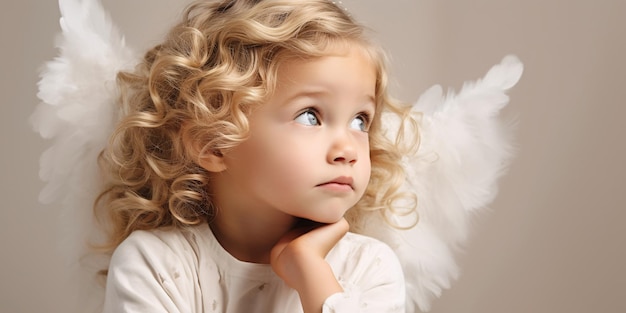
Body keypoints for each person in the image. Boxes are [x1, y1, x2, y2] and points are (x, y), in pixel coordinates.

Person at [95, 0, 416, 312]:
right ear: (212, 142)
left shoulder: (369, 268)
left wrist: (312, 276)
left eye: (360, 120)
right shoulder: (156, 266)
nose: (347, 150)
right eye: (310, 116)